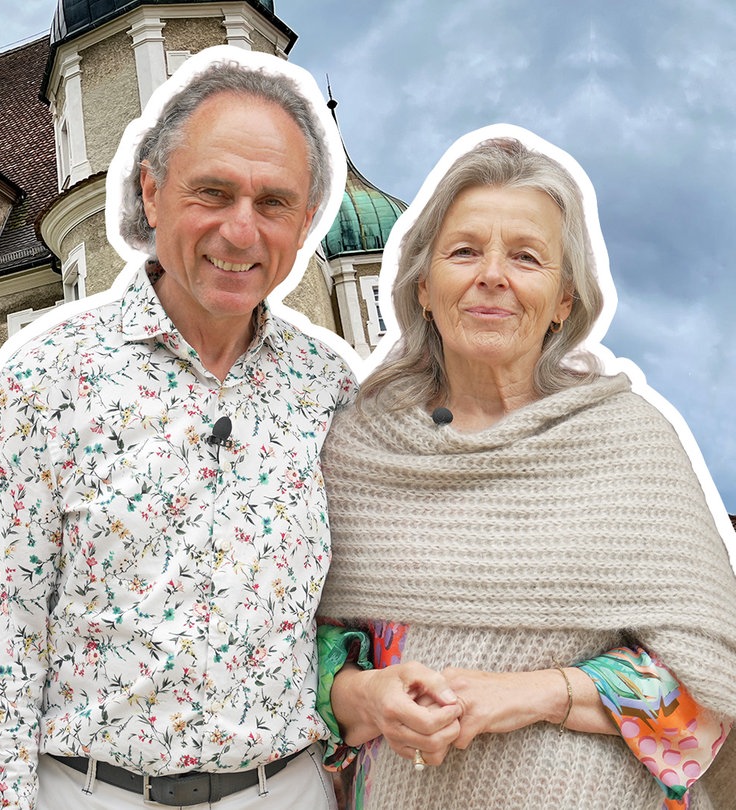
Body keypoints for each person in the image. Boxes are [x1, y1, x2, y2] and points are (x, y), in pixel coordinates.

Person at [0, 47, 356, 810]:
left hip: (285, 790)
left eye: (274, 203)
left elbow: (356, 612)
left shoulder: (329, 390)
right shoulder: (48, 379)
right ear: (152, 193)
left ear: (306, 221)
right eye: (213, 192)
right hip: (95, 793)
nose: (241, 231)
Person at [314, 131, 736, 808]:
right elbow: (290, 655)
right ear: (423, 286)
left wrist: (536, 694)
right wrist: (365, 695)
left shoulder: (630, 445)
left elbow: (712, 694)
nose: (492, 275)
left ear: (564, 300)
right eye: (463, 251)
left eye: (527, 257)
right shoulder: (355, 449)